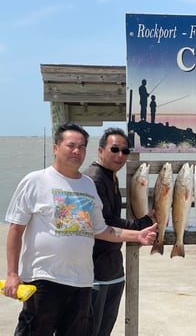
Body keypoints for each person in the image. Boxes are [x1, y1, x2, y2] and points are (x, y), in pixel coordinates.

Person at [4, 121, 157, 336]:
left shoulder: (87, 185)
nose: (77, 151)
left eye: (82, 146)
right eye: (71, 145)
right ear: (56, 148)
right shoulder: (35, 181)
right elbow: (15, 229)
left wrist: (138, 234)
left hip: (82, 282)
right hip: (44, 280)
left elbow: (102, 229)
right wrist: (12, 274)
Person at [83, 127, 155, 336]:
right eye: (114, 149)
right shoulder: (94, 179)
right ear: (100, 151)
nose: (120, 155)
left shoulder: (110, 176)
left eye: (125, 151)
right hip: (95, 275)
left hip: (112, 271)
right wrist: (142, 223)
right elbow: (105, 222)